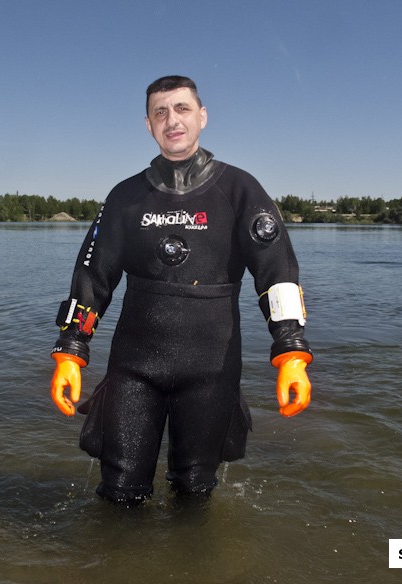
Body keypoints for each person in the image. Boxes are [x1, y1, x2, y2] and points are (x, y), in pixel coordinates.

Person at [50, 75, 313, 504]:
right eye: (160, 112)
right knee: (119, 492)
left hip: (211, 370)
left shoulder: (240, 190)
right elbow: (93, 277)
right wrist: (70, 350)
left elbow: (276, 272)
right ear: (149, 125)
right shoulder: (125, 197)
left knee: (194, 494)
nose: (172, 120)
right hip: (135, 369)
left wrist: (291, 352)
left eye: (182, 108)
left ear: (202, 117)